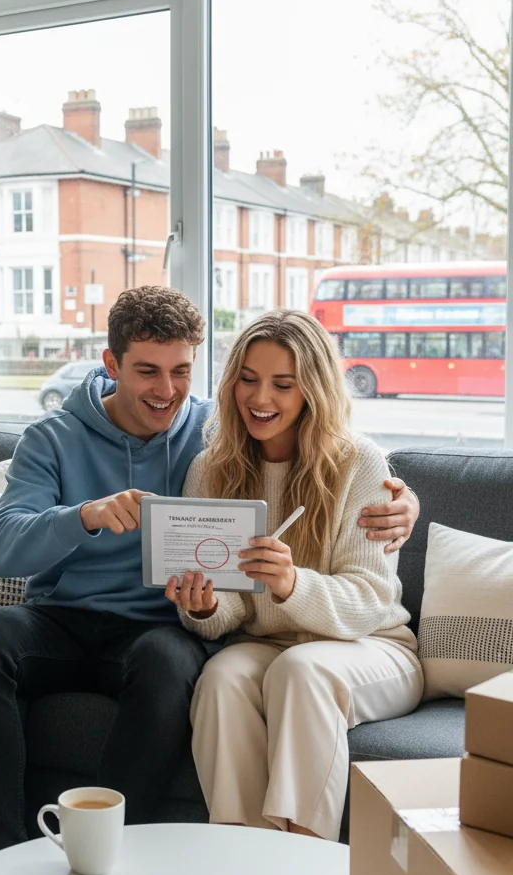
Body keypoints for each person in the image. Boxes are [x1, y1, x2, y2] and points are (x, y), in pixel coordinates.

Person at [0, 286, 420, 856]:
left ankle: (112, 851)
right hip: (62, 618)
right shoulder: (60, 439)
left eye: (181, 372)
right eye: (147, 371)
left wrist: (406, 504)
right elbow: (1, 550)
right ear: (112, 365)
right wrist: (86, 517)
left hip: (156, 628)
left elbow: (330, 460)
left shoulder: (214, 435)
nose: (166, 390)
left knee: (174, 664)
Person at [166, 309, 423, 842]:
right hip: (270, 644)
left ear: (313, 390)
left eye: (283, 385)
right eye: (249, 380)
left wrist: (291, 584)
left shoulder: (360, 464)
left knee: (300, 671)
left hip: (372, 646)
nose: (261, 399)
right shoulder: (211, 469)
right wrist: (206, 607)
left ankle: (306, 856)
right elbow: (231, 613)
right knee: (220, 678)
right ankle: (239, 849)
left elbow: (372, 601)